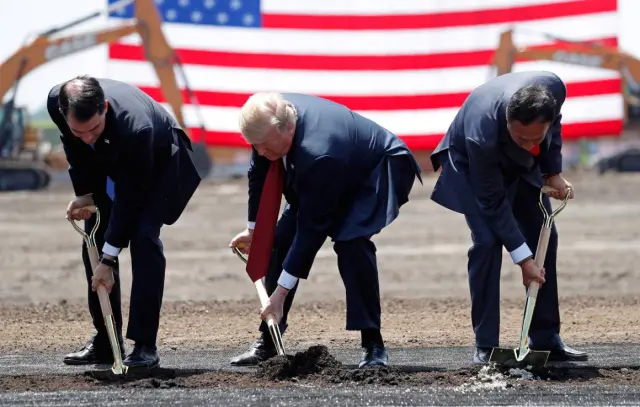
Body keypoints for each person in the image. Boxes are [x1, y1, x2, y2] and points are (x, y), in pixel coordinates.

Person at [228, 92, 422, 368]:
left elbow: (310, 231)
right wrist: (255, 231)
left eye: (264, 146)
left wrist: (280, 294)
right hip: (330, 169)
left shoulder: (318, 152)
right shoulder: (266, 122)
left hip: (374, 171)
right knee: (279, 239)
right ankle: (268, 341)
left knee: (350, 243)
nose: (260, 152)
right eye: (255, 146)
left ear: (289, 128)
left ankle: (373, 345)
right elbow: (258, 173)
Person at [429, 70, 588, 364]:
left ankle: (546, 338)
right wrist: (524, 261)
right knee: (488, 242)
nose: (528, 144)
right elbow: (493, 201)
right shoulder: (482, 132)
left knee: (545, 234)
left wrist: (552, 173)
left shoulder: (554, 90)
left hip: (520, 167)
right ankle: (486, 346)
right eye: (520, 137)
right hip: (472, 167)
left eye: (534, 139)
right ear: (507, 122)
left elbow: (554, 129)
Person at [47, 75, 201, 369]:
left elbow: (131, 196)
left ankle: (145, 345)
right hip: (114, 161)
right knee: (93, 235)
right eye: (80, 131)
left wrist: (109, 257)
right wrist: (85, 195)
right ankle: (106, 341)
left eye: (93, 128)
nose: (88, 137)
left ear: (104, 107)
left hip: (160, 164)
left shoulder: (136, 126)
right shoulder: (57, 104)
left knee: (143, 237)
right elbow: (75, 149)